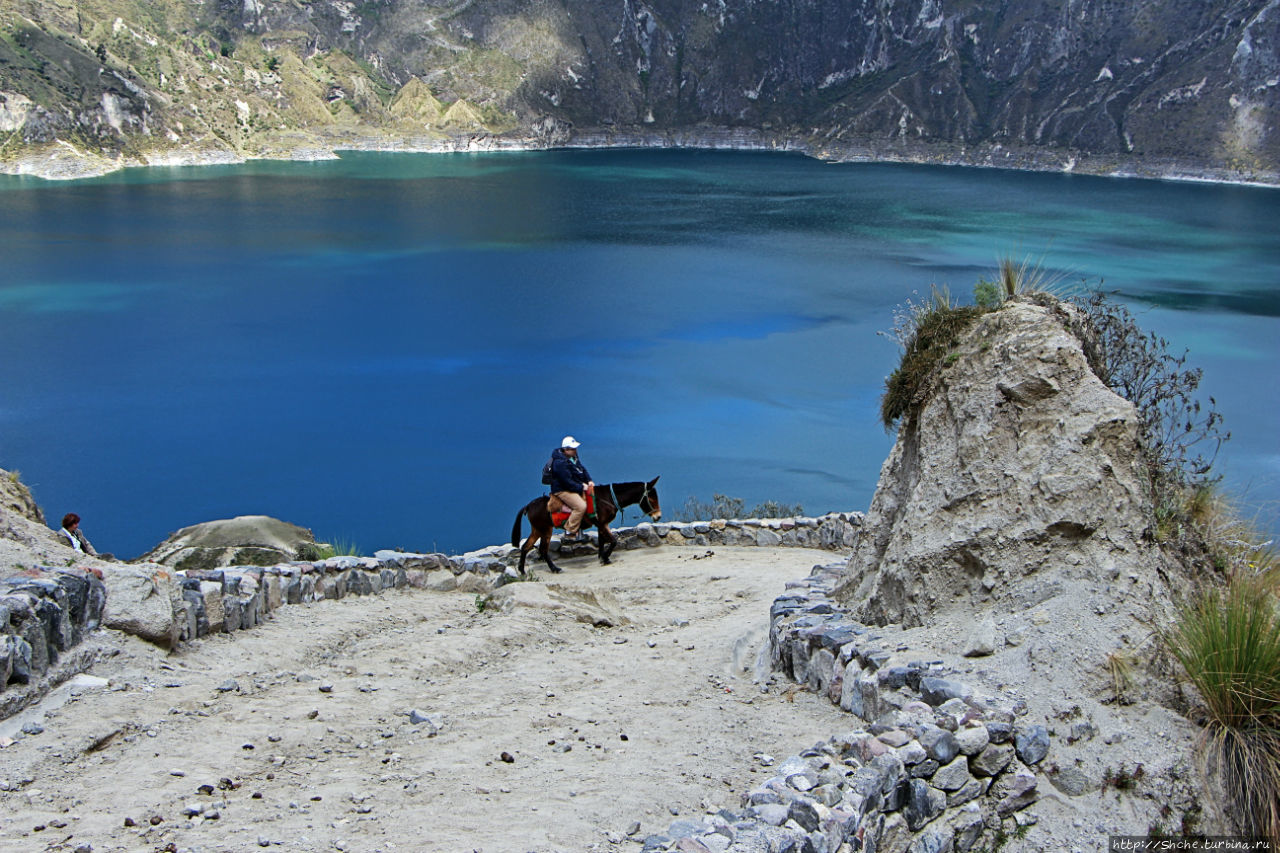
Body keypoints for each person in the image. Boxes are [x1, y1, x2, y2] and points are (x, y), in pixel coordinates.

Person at [548, 436, 594, 542]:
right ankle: (570, 530)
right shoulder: (560, 463)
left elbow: (581, 469)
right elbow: (566, 482)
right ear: (566, 449)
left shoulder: (573, 457)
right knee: (581, 507)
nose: (575, 450)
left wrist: (589, 480)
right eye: (573, 449)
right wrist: (582, 486)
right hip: (562, 490)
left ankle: (580, 531)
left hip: (573, 486)